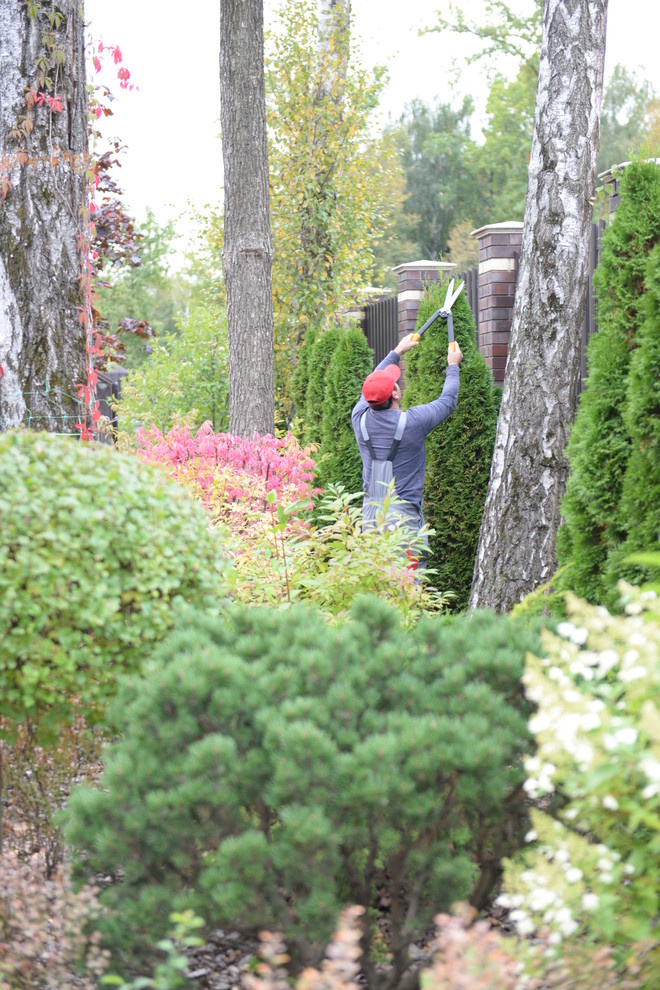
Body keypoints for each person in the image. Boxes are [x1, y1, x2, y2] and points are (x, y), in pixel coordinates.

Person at [351, 332, 463, 568]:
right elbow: (447, 401)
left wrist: (397, 352)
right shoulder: (414, 422)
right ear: (395, 393)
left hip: (371, 520)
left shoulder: (359, 418)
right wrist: (453, 365)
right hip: (404, 523)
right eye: (395, 383)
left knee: (377, 588)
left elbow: (370, 386)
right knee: (410, 592)